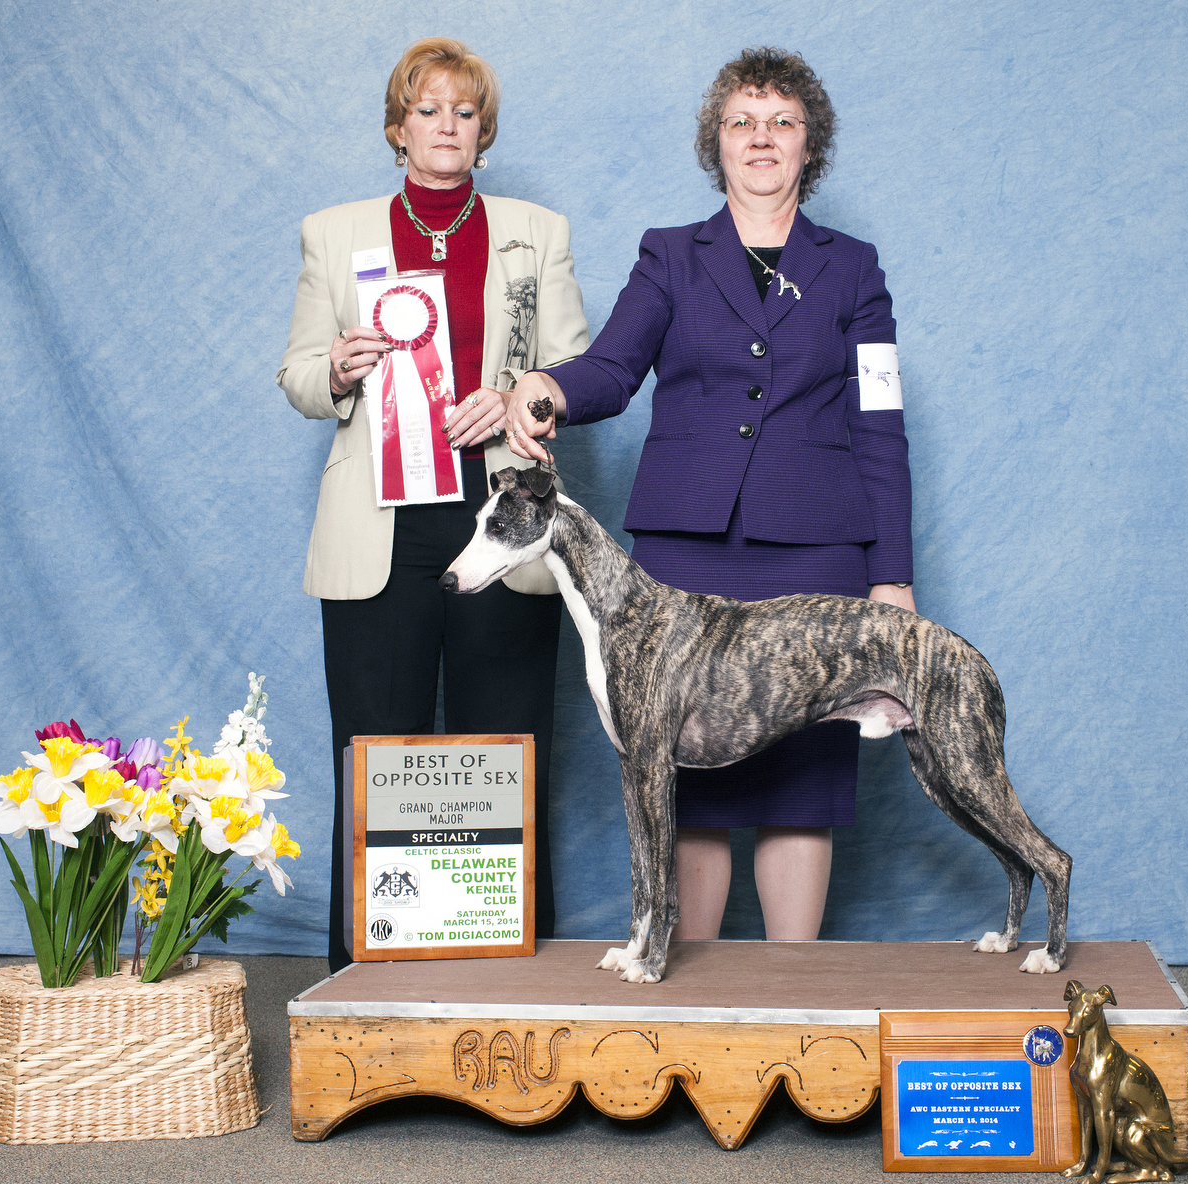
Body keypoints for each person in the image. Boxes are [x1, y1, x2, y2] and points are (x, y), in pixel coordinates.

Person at [502, 47, 914, 943]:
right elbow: (612, 367)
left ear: (811, 146)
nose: (760, 138)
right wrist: (550, 387)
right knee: (686, 787)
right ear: (715, 143)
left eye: (782, 123)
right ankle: (690, 1009)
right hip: (687, 553)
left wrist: (892, 574)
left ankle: (792, 1004)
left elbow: (880, 424)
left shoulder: (855, 268)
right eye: (742, 122)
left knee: (801, 791)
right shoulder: (669, 257)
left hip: (817, 552)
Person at [277, 37, 590, 972]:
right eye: (428, 110)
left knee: (506, 751)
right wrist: (333, 366)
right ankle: (365, 988)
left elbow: (574, 369)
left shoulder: (539, 230)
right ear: (397, 127)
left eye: (464, 112)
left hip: (503, 518)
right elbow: (295, 374)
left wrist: (520, 395)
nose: (446, 125)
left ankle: (504, 984)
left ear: (483, 133)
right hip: (380, 527)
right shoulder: (333, 233)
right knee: (374, 750)